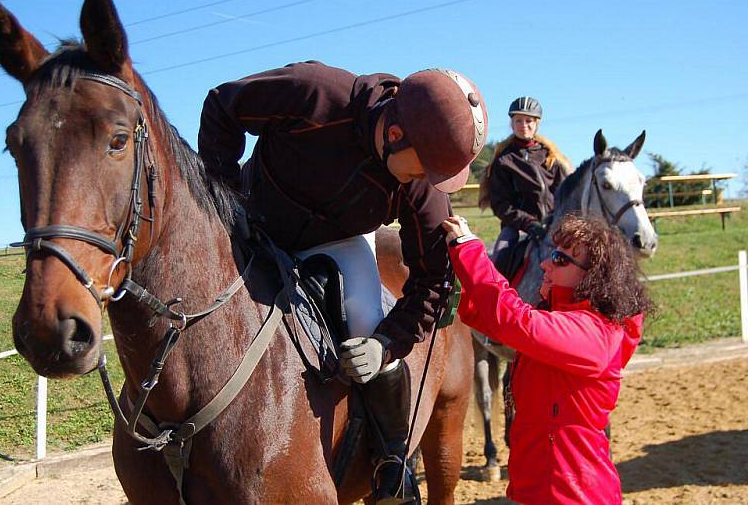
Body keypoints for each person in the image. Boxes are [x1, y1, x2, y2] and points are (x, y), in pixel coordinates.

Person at [198, 61, 487, 503]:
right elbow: (223, 104)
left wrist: (386, 344)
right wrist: (225, 201)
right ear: (394, 135)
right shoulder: (315, 92)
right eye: (421, 169)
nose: (425, 182)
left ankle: (391, 466)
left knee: (367, 319)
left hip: (339, 244)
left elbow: (432, 282)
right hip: (251, 221)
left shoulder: (423, 187)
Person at [442, 213, 651, 504]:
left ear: (593, 277)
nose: (544, 263)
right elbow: (486, 315)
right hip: (541, 489)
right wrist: (454, 282)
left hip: (573, 495)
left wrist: (468, 248)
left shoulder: (595, 334)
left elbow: (515, 321)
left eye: (560, 259)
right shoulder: (566, 321)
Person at [478, 96, 572, 268]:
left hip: (554, 225)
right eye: (518, 120)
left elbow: (564, 194)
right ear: (511, 124)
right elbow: (501, 205)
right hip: (518, 228)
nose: (524, 125)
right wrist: (529, 223)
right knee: (500, 259)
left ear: (537, 124)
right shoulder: (504, 160)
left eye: (529, 121)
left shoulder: (552, 157)